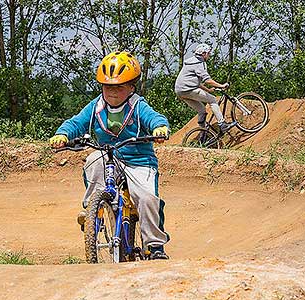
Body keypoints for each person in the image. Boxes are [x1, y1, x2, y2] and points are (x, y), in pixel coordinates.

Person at [49, 51, 170, 260]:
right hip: (108, 155)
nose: (113, 92)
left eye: (119, 87)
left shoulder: (138, 105)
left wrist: (159, 128)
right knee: (92, 160)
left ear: (131, 87)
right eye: (108, 87)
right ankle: (92, 211)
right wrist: (62, 134)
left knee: (148, 198)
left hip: (138, 160)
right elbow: (76, 122)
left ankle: (154, 245)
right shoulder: (96, 106)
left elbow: (154, 118)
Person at [175, 43, 236, 132]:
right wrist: (221, 85)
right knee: (213, 100)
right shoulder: (199, 64)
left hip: (180, 92)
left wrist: (208, 90)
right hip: (188, 90)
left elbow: (196, 83)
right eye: (208, 53)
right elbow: (207, 80)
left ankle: (202, 133)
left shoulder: (191, 62)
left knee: (202, 110)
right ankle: (222, 124)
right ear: (203, 54)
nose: (209, 55)